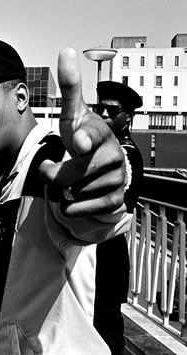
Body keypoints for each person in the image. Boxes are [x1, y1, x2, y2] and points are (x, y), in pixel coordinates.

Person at [0, 38, 132, 354]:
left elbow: (85, 217)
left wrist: (101, 179)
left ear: (20, 97)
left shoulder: (49, 165)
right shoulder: (1, 168)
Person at [93, 80, 144, 355]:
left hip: (107, 249)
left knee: (107, 329)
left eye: (111, 111)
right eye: (100, 108)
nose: (103, 115)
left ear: (128, 116)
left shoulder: (125, 154)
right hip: (98, 247)